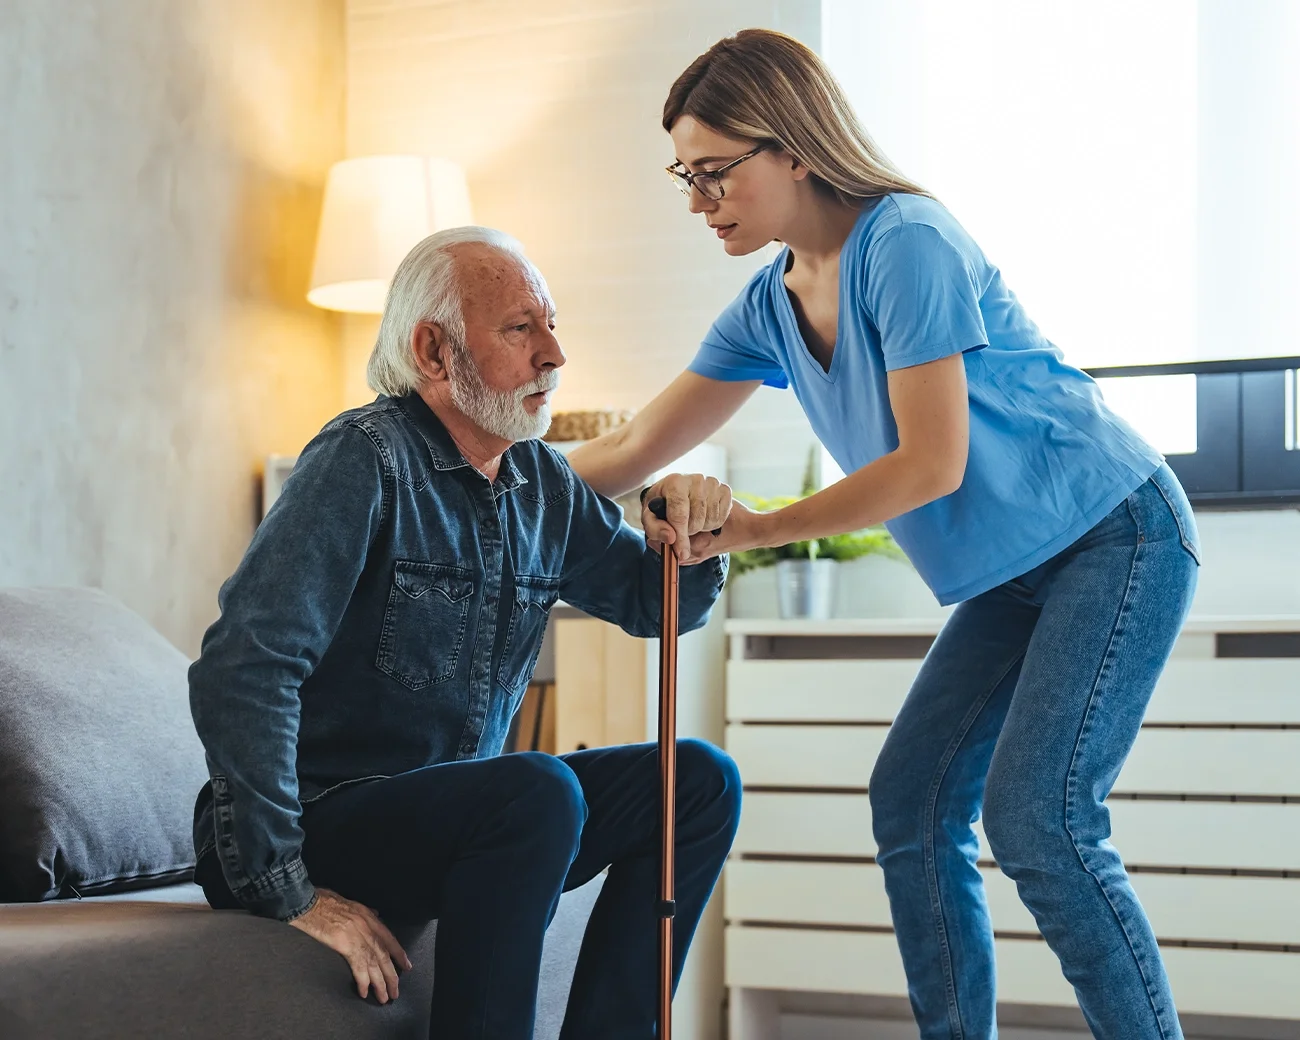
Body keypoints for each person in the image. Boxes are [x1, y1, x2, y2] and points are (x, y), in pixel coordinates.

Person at [566, 28, 1200, 1040]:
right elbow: (638, 440)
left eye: (717, 173)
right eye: (685, 178)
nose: (700, 203)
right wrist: (477, 469)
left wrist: (757, 526)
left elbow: (928, 463)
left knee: (1040, 819)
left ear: (795, 149)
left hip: (1112, 534)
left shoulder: (906, 241)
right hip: (1013, 577)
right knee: (911, 798)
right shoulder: (767, 306)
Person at [188, 226, 741, 1039]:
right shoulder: (362, 460)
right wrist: (288, 885)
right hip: (323, 818)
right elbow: (244, 667)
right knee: (535, 791)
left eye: (551, 326)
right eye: (521, 329)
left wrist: (692, 535)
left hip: (459, 815)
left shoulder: (541, 481)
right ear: (434, 351)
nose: (553, 354)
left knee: (697, 781)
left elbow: (656, 605)